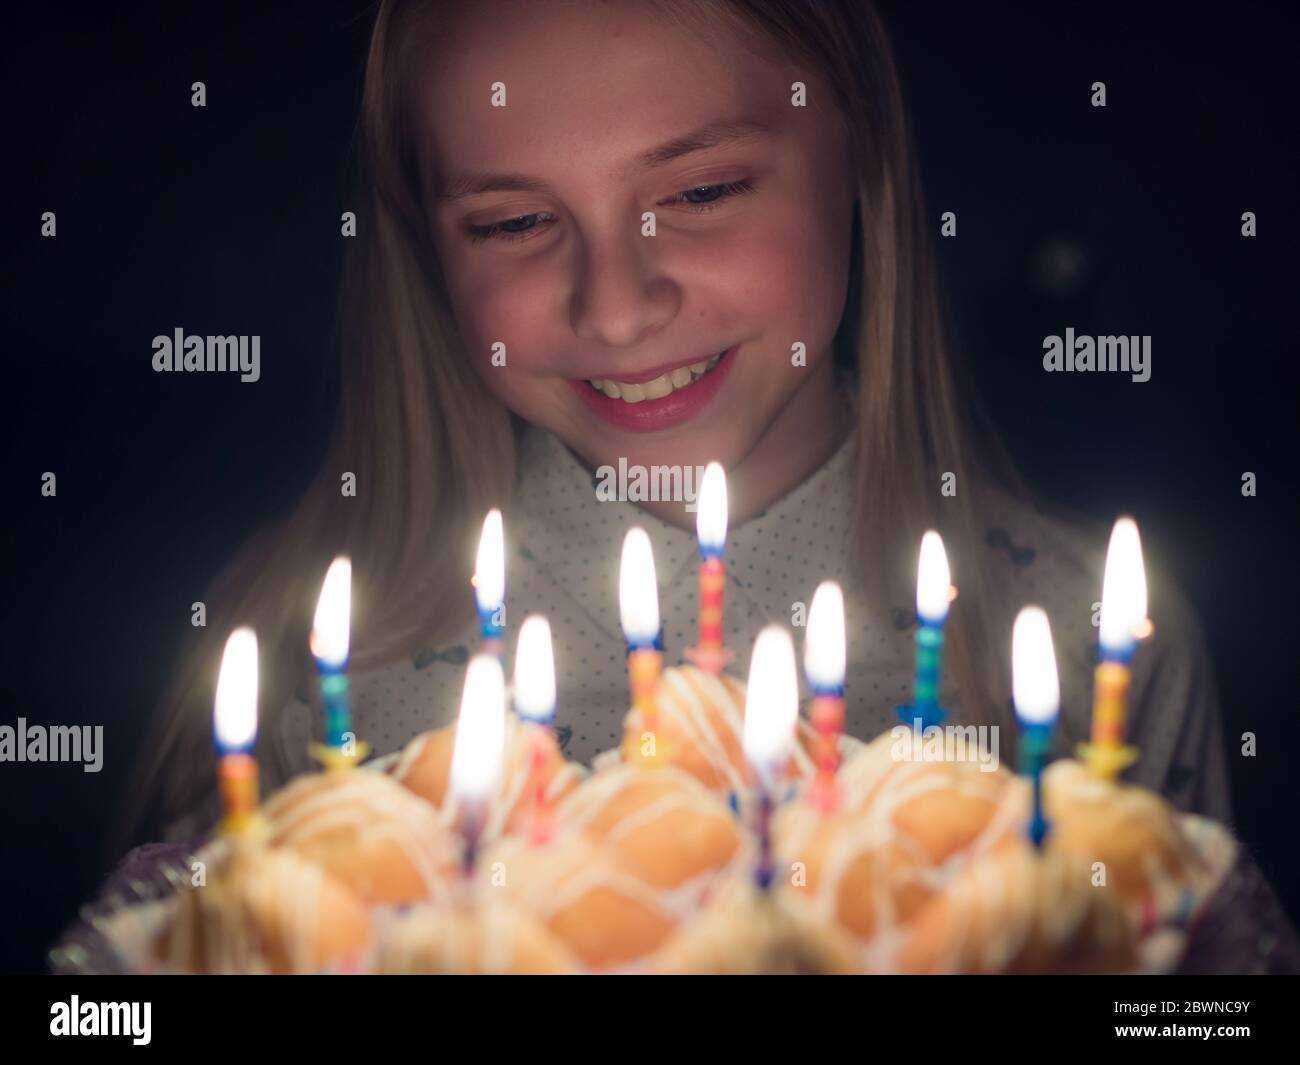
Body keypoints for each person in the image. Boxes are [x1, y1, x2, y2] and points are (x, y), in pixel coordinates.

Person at [115, 0, 1232, 851]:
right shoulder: (309, 664)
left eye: (700, 194)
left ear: (859, 155)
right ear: (425, 247)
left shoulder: (1090, 644)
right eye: (513, 221)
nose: (615, 308)